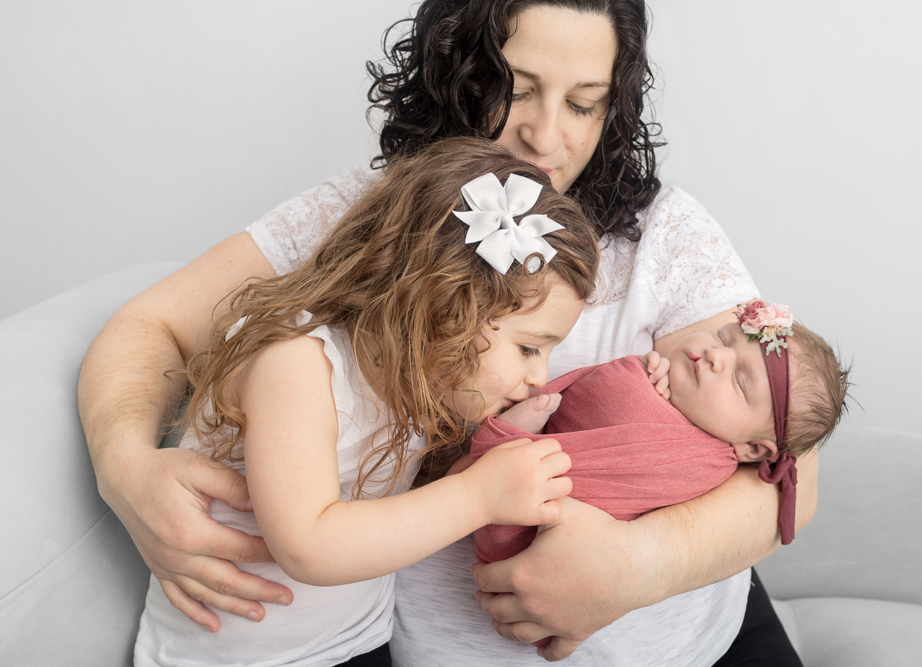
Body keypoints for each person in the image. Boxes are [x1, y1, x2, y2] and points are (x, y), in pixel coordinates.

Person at [79, 1, 818, 665]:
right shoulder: (370, 223)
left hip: (699, 647)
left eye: (585, 103)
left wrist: (636, 566)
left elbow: (793, 459)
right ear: (456, 70)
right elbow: (152, 326)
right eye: (518, 89)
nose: (546, 136)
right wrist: (125, 469)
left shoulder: (663, 233)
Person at [133, 138, 601, 666]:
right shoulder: (297, 363)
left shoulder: (415, 379)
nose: (539, 376)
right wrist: (477, 496)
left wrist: (484, 461)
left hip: (356, 644)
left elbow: (390, 519)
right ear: (446, 304)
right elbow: (307, 544)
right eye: (529, 348)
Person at [471, 306, 851, 570]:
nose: (717, 355)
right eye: (723, 336)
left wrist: (638, 392)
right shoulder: (666, 380)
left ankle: (503, 446)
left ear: (752, 449)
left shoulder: (705, 464)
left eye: (739, 381)